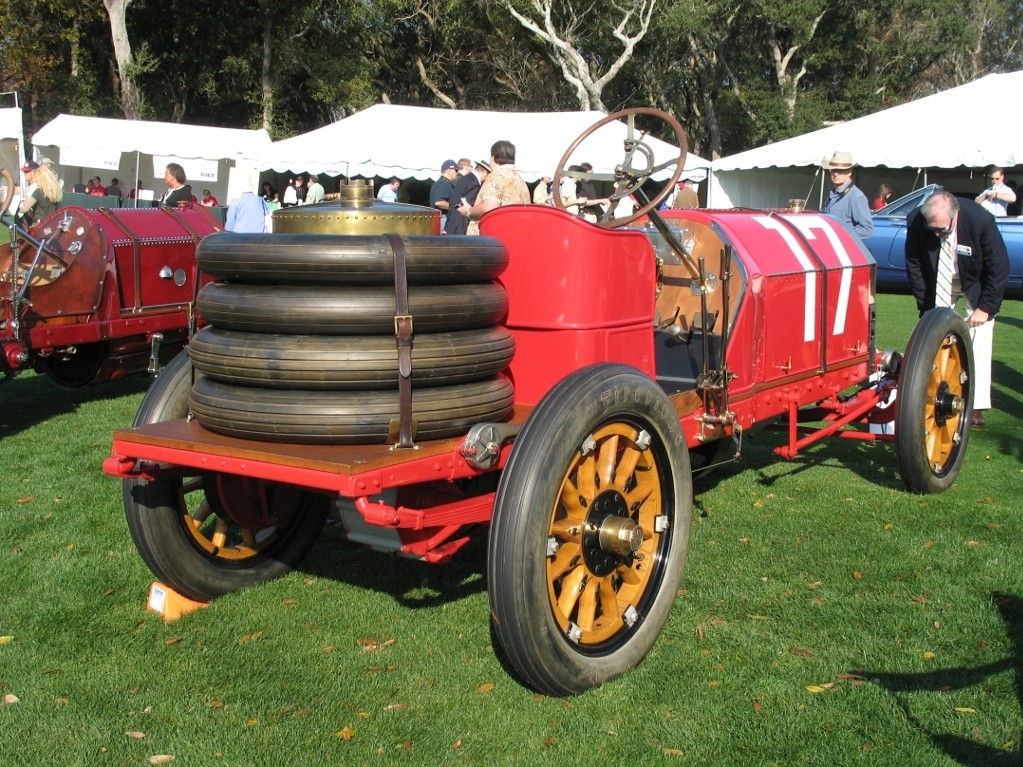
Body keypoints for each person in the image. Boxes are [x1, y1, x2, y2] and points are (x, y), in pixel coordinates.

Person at [905, 190, 1009, 428]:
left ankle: (975, 403)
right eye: (933, 230)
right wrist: (926, 307)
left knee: (980, 333)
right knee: (933, 331)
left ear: (955, 215)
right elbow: (914, 265)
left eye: (943, 229)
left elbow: (999, 267)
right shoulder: (917, 220)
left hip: (974, 280)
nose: (938, 234)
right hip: (939, 280)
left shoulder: (980, 220)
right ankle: (928, 391)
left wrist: (985, 308)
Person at [458, 140, 530, 236]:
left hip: (489, 242)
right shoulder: (520, 181)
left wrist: (468, 211)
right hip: (512, 237)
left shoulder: (496, 176)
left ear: (493, 158)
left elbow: (488, 207)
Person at [822, 151, 873, 238]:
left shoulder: (856, 196)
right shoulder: (833, 194)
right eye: (833, 169)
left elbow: (866, 230)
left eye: (840, 170)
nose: (835, 173)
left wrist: (840, 233)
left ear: (849, 172)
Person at [446, 161, 490, 235]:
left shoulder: (464, 179)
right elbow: (467, 207)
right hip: (461, 225)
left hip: (452, 222)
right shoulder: (475, 184)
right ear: (484, 172)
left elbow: (455, 202)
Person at [17, 161, 63, 227]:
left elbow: (25, 209)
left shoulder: (38, 192)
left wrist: (20, 207)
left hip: (38, 224)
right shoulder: (56, 193)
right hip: (52, 224)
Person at [429, 159, 459, 229]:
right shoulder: (443, 183)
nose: (457, 173)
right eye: (456, 170)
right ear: (449, 170)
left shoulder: (445, 183)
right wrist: (455, 207)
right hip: (442, 220)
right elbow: (438, 202)